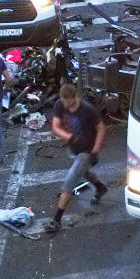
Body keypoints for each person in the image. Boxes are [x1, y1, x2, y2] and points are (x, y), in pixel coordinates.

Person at [41, 84, 107, 233]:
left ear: (74, 97)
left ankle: (56, 220)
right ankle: (100, 187)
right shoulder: (60, 104)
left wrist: (95, 151)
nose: (65, 105)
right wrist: (69, 137)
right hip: (74, 148)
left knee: (69, 182)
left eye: (68, 101)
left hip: (87, 151)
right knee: (82, 172)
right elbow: (56, 126)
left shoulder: (88, 110)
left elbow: (101, 129)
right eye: (63, 101)